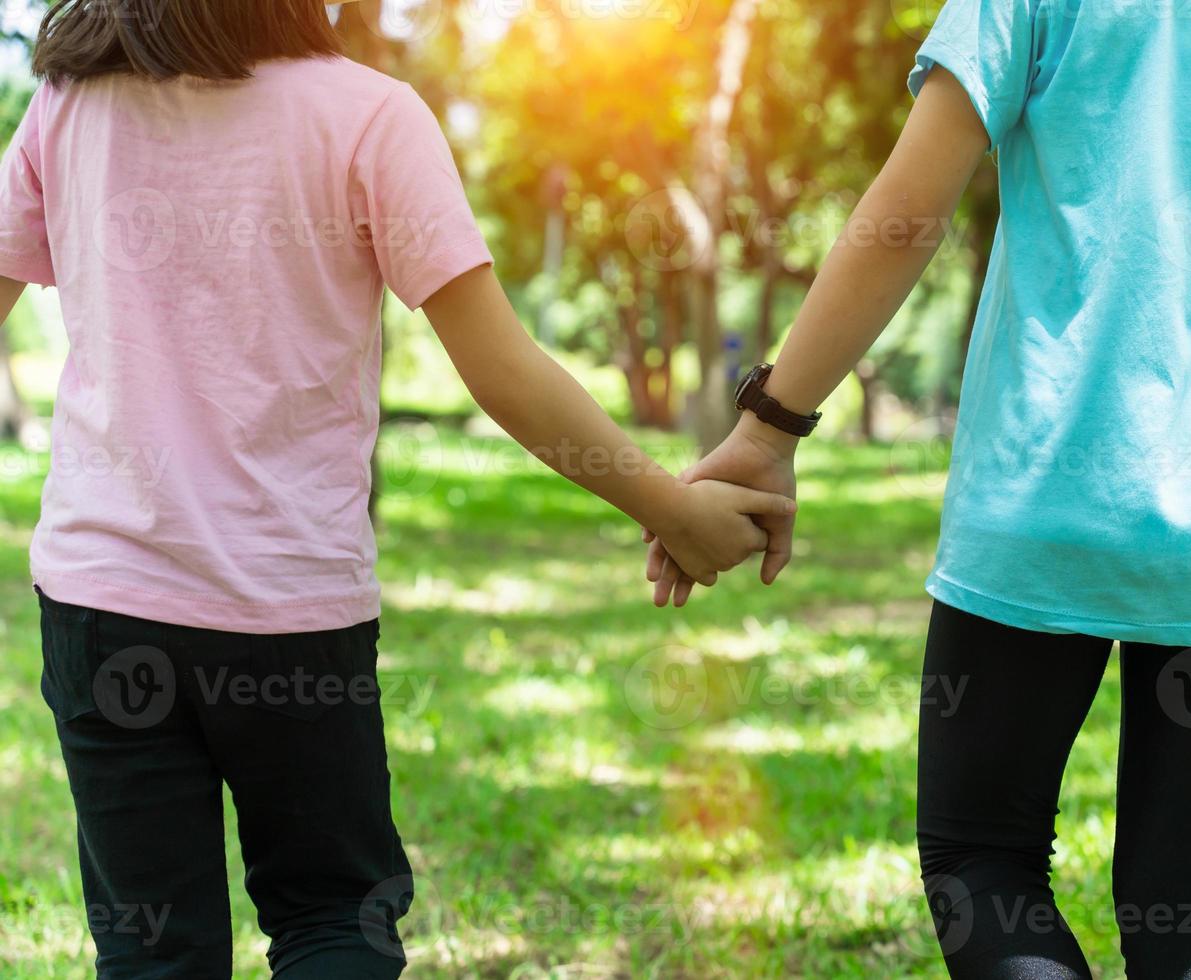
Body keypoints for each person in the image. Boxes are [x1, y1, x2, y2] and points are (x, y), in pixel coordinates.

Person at [0, 1, 793, 976]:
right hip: (286, 605)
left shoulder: (70, 104)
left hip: (101, 599)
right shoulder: (366, 113)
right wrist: (672, 508)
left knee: (152, 953)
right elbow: (499, 367)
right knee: (334, 919)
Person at [647, 0, 1191, 975]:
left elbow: (910, 208)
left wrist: (772, 425)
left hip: (1050, 492)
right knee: (1184, 901)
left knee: (984, 859)